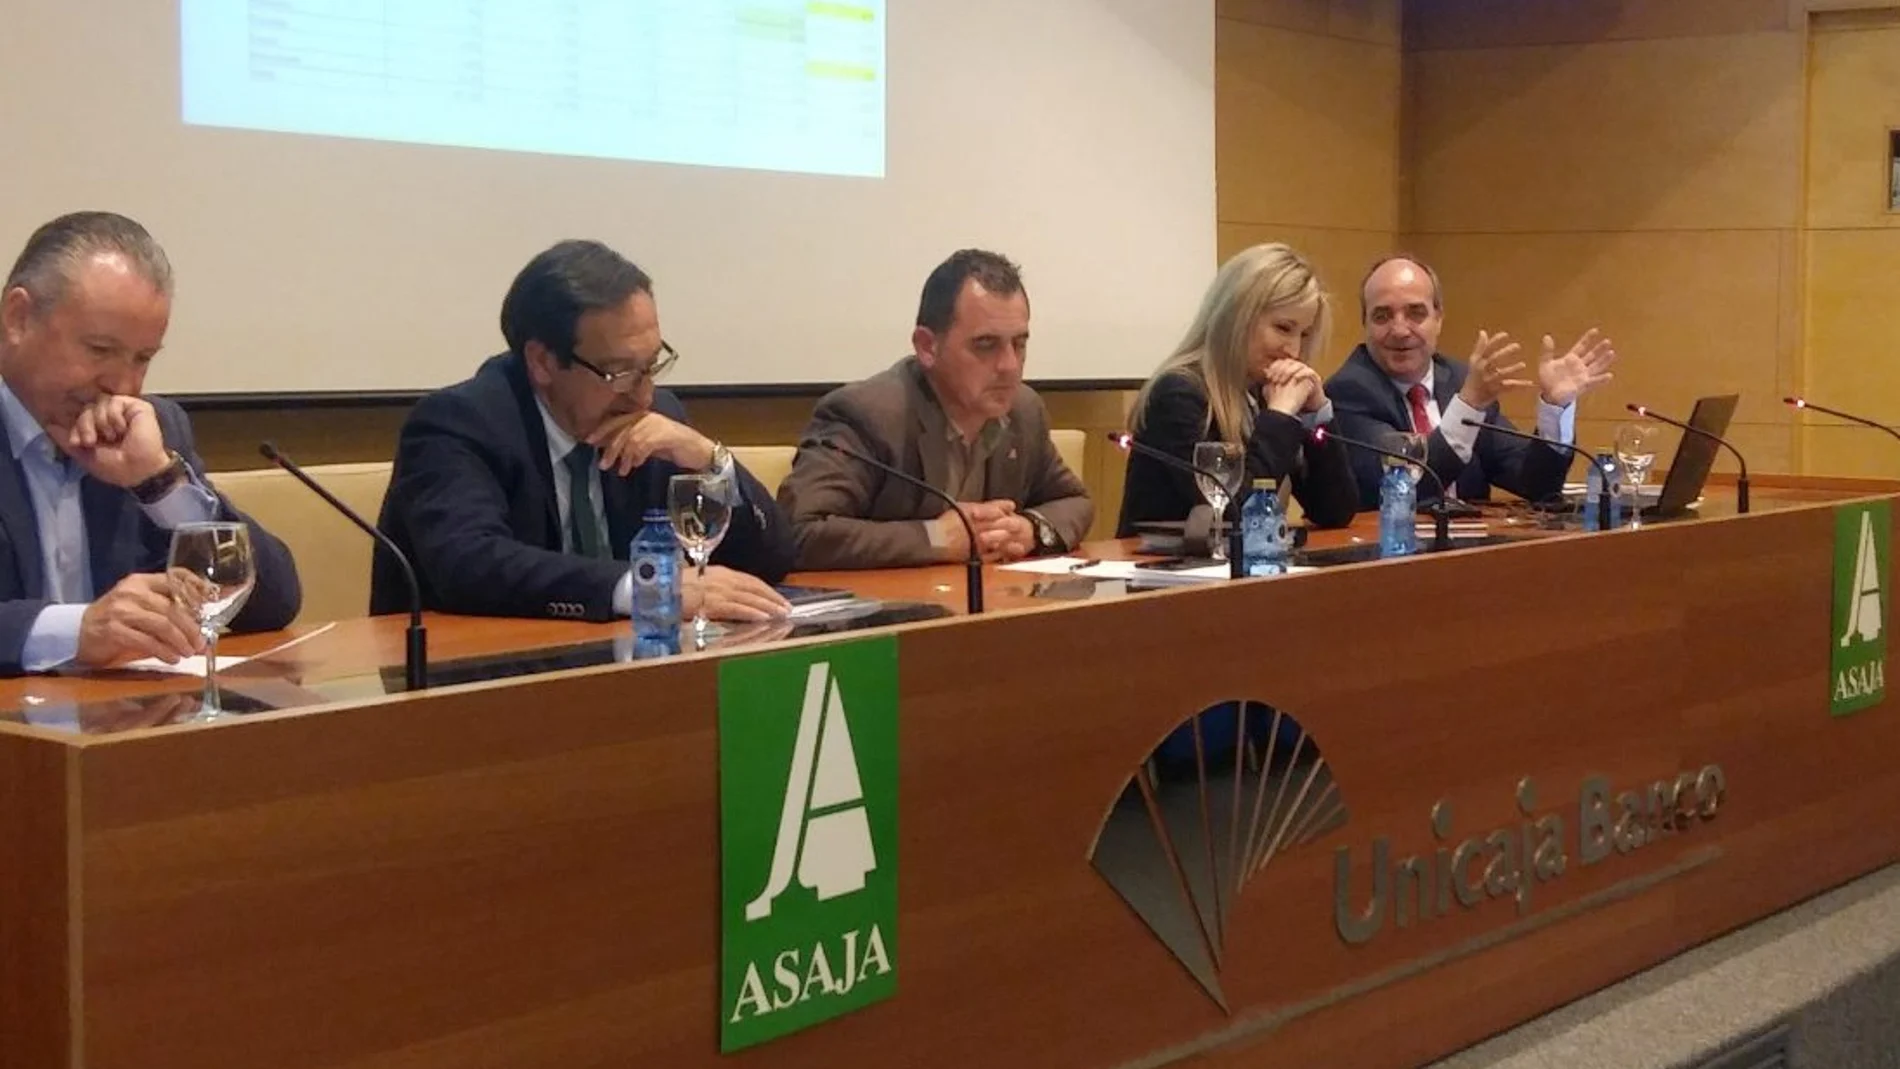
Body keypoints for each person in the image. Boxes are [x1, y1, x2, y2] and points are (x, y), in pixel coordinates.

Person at [372, 240, 793, 621]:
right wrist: (643, 588)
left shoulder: (656, 422)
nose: (644, 394)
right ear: (543, 362)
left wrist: (708, 459)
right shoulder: (459, 423)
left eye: (652, 365)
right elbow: (469, 564)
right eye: (621, 372)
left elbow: (771, 558)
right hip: (475, 681)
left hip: (626, 670)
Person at [0, 211, 301, 675]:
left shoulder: (151, 430)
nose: (122, 383)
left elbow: (275, 602)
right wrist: (75, 630)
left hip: (125, 724)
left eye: (142, 358)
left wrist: (158, 483)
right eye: (99, 350)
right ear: (18, 318)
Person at [777, 249, 1092, 570]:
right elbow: (798, 532)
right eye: (986, 344)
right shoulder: (867, 414)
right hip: (894, 615)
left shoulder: (1024, 410)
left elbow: (1073, 501)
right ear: (927, 346)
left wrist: (1029, 530)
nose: (1009, 366)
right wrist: (937, 538)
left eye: (1019, 344)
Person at [1326, 256, 1616, 509]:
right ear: (1365, 324)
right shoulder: (1349, 391)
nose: (1400, 330)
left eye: (1416, 313)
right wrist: (1469, 405)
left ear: (1439, 319)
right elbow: (1405, 485)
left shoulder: (1457, 379)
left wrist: (1555, 407)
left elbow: (1535, 484)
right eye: (1382, 316)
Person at [1117, 243, 1359, 536]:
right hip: (1168, 576)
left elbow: (1335, 510)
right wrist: (1280, 418)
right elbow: (1234, 515)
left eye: (1305, 334)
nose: (1294, 350)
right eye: (1283, 328)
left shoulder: (1262, 391)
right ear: (1237, 317)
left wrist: (1316, 413)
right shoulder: (1178, 394)